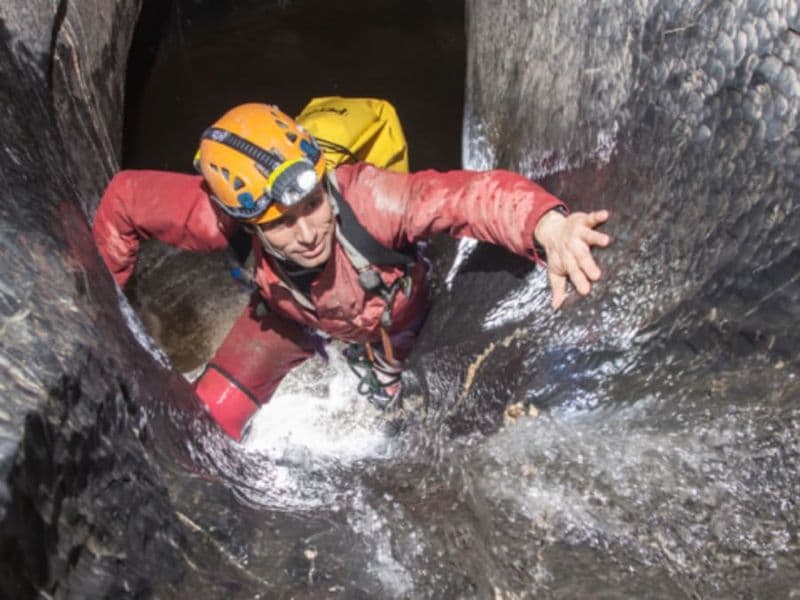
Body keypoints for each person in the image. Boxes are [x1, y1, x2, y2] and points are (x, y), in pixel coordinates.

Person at [93, 102, 611, 440]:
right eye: (280, 225)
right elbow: (123, 202)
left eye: (313, 204)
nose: (308, 231)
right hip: (288, 316)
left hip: (395, 314)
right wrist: (100, 313)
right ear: (246, 223)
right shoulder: (215, 216)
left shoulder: (371, 200)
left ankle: (384, 376)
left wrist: (549, 225)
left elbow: (468, 197)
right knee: (201, 428)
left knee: (402, 422)